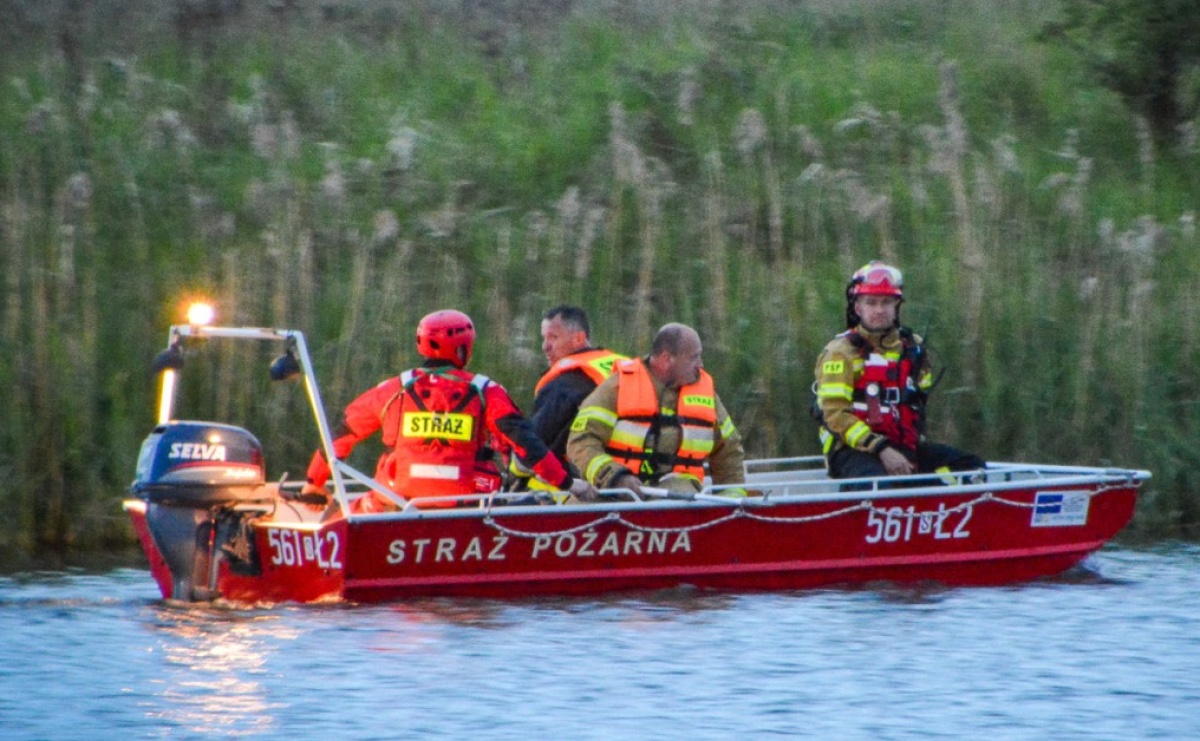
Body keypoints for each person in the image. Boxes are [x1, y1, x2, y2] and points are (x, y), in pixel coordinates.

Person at [303, 309, 596, 511]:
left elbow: (338, 436)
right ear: (463, 348)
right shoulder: (485, 392)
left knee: (340, 514)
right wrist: (568, 483)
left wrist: (313, 484)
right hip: (468, 511)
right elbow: (528, 444)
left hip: (396, 505)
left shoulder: (393, 390)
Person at [812, 260, 985, 488]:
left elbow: (916, 403)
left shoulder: (913, 349)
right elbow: (835, 416)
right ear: (858, 308)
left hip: (903, 445)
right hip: (854, 450)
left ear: (897, 306)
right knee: (878, 486)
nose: (879, 310)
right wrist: (881, 448)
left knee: (971, 467)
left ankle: (949, 515)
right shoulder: (841, 353)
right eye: (871, 303)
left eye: (886, 302)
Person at [566, 322, 747, 497]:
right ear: (666, 359)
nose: (700, 364)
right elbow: (581, 442)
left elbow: (729, 451)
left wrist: (731, 503)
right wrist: (614, 477)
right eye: (694, 357)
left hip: (678, 490)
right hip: (616, 488)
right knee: (575, 509)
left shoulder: (706, 395)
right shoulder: (618, 387)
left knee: (678, 500)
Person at [510, 305, 627, 491]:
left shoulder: (565, 384)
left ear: (579, 338)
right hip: (624, 475)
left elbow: (531, 446)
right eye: (544, 338)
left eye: (553, 338)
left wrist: (511, 469)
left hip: (576, 486)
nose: (545, 347)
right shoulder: (619, 366)